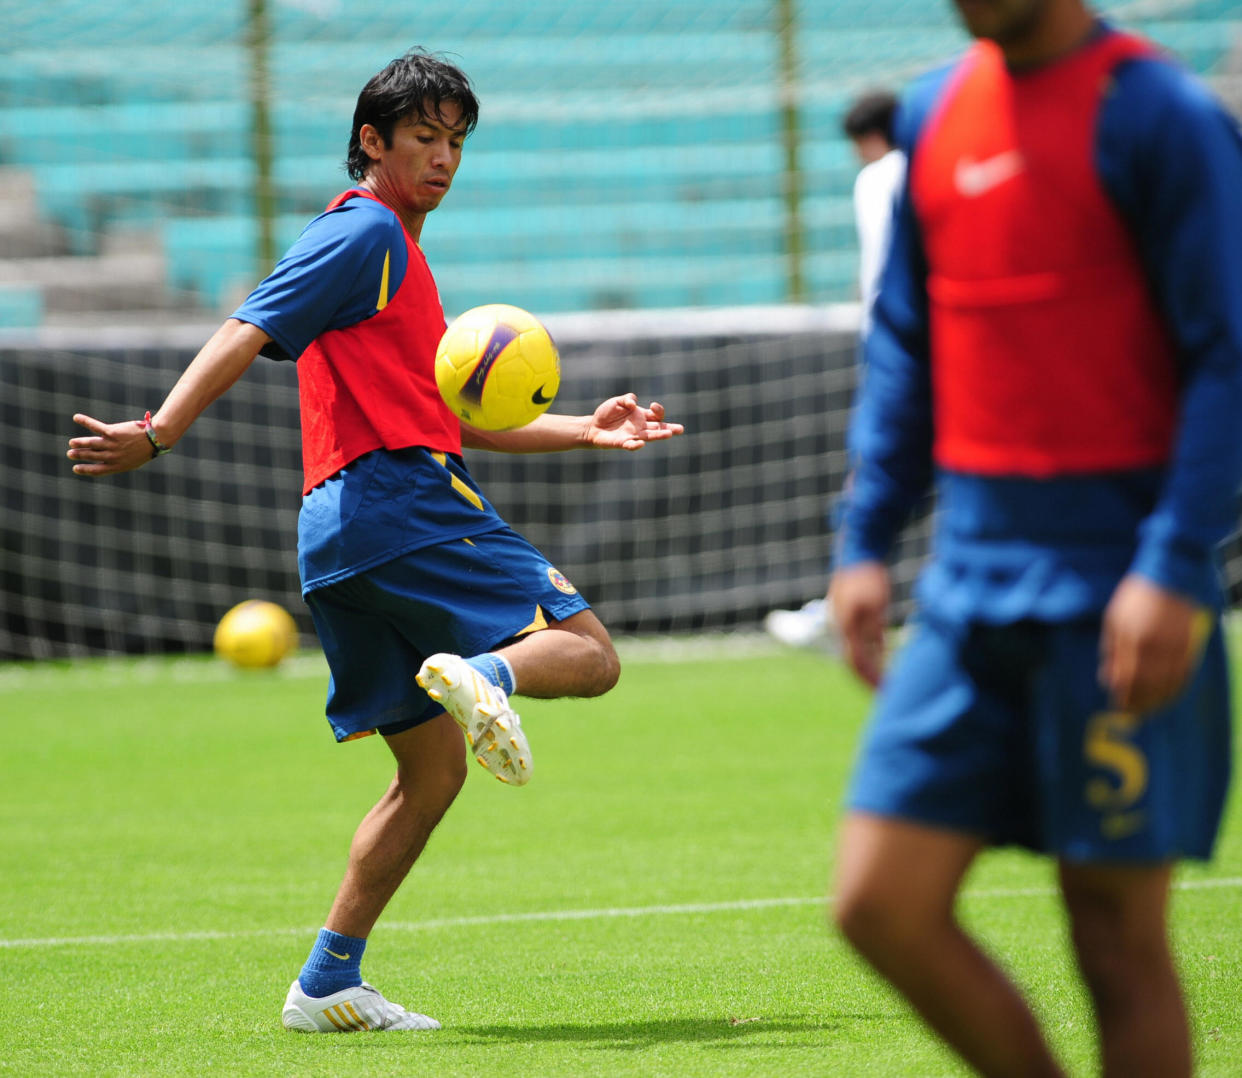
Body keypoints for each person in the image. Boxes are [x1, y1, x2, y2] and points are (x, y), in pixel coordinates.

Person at [66, 48, 682, 1035]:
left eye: (455, 142)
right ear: (372, 142)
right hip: (400, 502)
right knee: (594, 655)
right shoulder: (364, 231)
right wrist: (159, 431)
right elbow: (245, 325)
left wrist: (585, 429)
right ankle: (489, 675)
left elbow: (456, 418)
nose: (442, 158)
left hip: (341, 534)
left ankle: (325, 982)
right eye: (423, 138)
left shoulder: (400, 255)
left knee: (431, 771)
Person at [827, 1, 1242, 1075]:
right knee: (879, 902)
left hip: (1115, 589)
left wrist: (1173, 561)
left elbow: (1226, 358)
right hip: (966, 589)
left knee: (1114, 941)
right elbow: (908, 346)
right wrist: (867, 538)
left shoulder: (1157, 111)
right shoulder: (935, 113)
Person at [764, 89, 905, 650]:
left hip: (897, 348)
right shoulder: (924, 168)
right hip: (945, 343)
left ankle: (840, 608)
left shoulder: (876, 178)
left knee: (870, 473)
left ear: (865, 141)